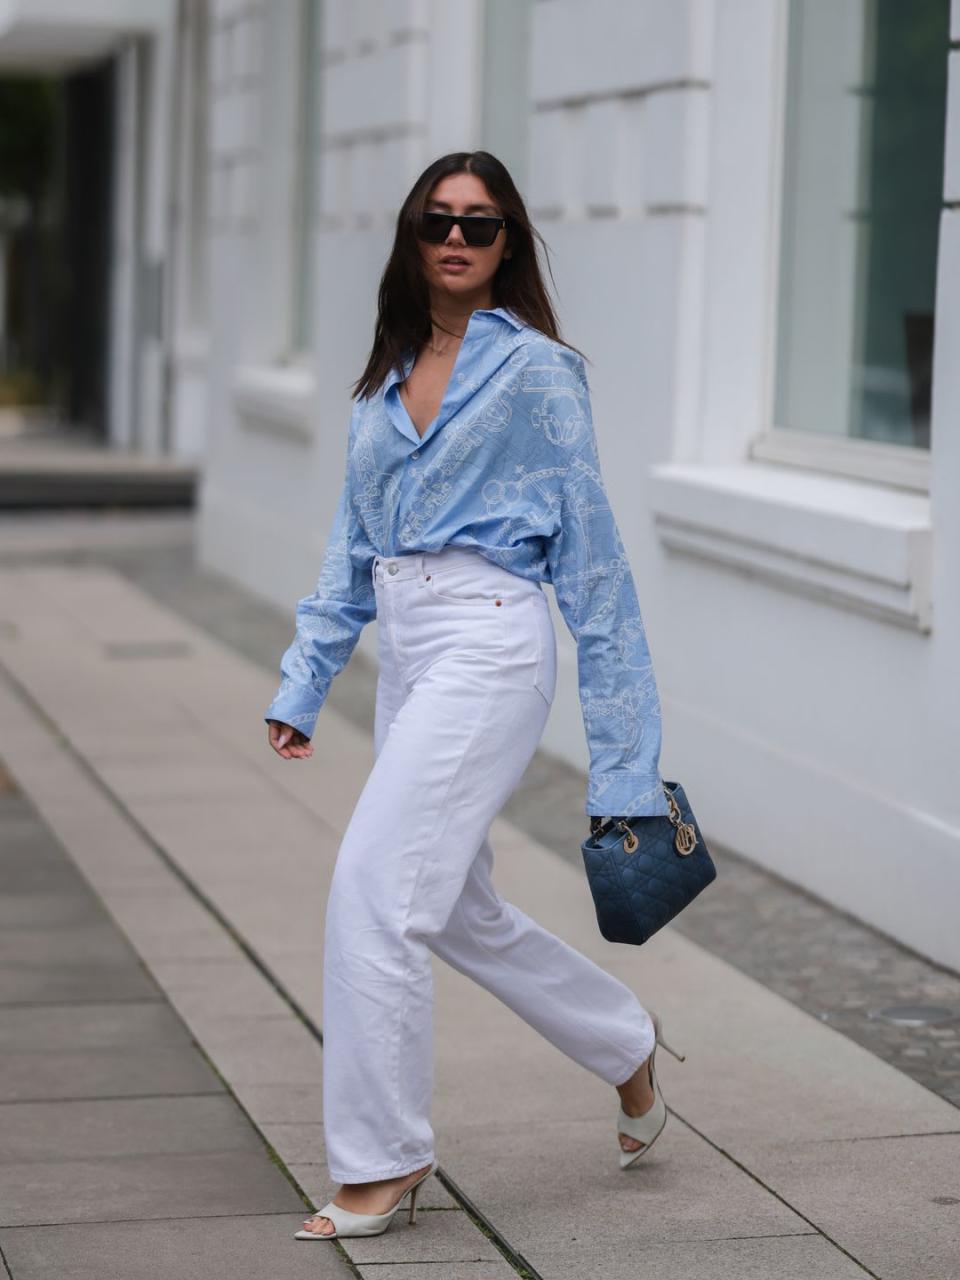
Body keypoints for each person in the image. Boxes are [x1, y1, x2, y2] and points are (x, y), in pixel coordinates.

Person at [264, 150, 685, 1243]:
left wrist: (626, 764)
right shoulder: (385, 373)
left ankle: (383, 1161)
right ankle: (625, 1039)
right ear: (413, 236)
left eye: (483, 223)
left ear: (509, 244)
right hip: (408, 648)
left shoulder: (540, 371)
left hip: (493, 642)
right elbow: (352, 545)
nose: (459, 236)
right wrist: (306, 680)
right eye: (439, 219)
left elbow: (593, 567)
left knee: (372, 887)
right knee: (453, 906)